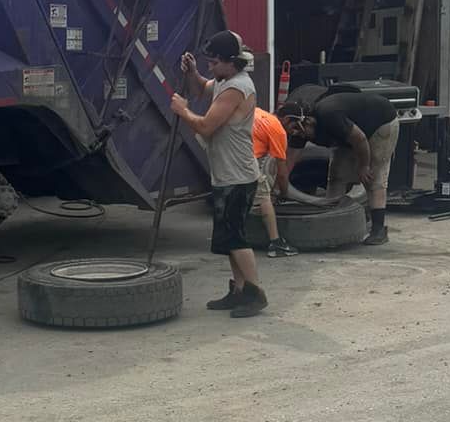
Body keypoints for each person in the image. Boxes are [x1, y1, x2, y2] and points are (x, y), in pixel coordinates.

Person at [171, 31, 267, 317]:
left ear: (230, 61)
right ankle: (238, 290)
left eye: (213, 63)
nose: (210, 67)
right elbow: (202, 88)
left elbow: (205, 127)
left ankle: (254, 293)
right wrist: (193, 73)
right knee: (228, 239)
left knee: (235, 238)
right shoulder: (225, 81)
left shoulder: (237, 88)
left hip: (238, 176)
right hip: (227, 174)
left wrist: (183, 111)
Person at [279, 85, 400, 245]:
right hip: (348, 135)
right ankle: (332, 218)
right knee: (336, 175)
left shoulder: (329, 115)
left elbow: (360, 139)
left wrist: (363, 166)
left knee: (373, 177)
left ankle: (379, 230)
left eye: (294, 129)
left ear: (306, 121)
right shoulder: (298, 131)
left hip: (380, 123)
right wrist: (278, 188)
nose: (294, 134)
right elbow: (288, 163)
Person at [251, 106, 296, 257]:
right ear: (286, 119)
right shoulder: (278, 130)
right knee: (264, 197)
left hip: (225, 156)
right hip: (245, 160)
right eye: (293, 126)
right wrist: (283, 193)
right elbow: (282, 173)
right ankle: (276, 243)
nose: (294, 132)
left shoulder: (258, 112)